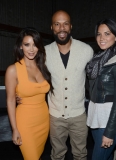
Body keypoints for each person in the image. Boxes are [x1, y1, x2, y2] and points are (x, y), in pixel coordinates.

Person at [44, 10, 93, 160]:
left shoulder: (86, 50)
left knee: (80, 154)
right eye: (57, 24)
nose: (62, 28)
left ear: (71, 26)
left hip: (78, 115)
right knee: (57, 154)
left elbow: (95, 80)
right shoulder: (44, 53)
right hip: (55, 115)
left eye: (65, 24)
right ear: (52, 27)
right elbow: (35, 79)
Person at [86, 18, 116, 160]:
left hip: (109, 119)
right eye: (99, 34)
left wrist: (110, 132)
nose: (102, 38)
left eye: (107, 33)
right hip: (94, 116)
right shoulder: (98, 59)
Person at [5, 27, 53, 160]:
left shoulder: (42, 65)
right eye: (27, 45)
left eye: (35, 45)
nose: (31, 49)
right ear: (21, 46)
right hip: (25, 123)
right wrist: (14, 129)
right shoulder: (13, 70)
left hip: (43, 120)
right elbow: (9, 101)